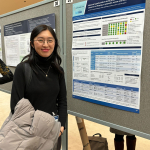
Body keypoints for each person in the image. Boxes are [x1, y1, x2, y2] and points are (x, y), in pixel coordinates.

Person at [10, 24, 67, 150]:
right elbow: (16, 106)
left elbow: (62, 101)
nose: (45, 44)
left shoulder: (58, 70)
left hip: (54, 130)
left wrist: (61, 127)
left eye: (50, 40)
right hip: (30, 133)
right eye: (40, 40)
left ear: (55, 43)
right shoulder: (23, 69)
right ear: (32, 44)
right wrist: (35, 132)